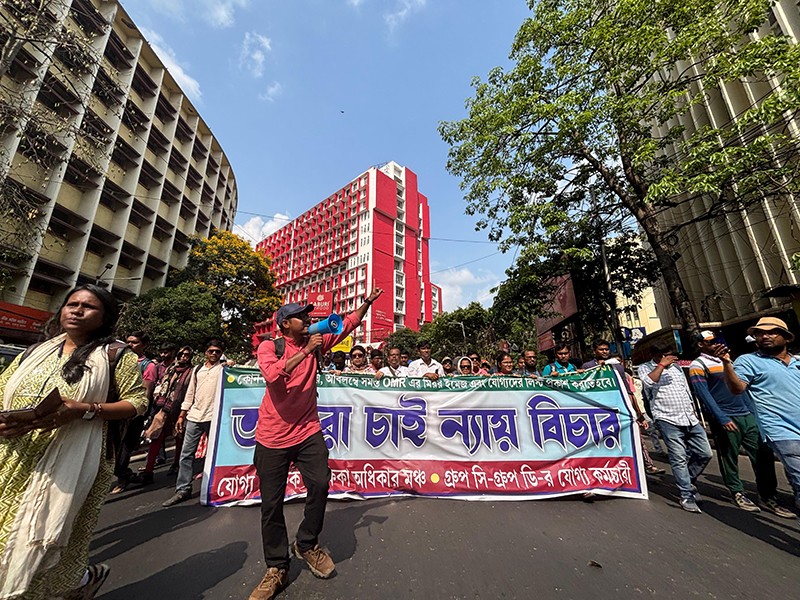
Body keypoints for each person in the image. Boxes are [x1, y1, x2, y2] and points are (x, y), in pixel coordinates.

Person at [0, 284, 147, 599]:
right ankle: (78, 583)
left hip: (72, 464)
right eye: (72, 304)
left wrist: (84, 410)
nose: (77, 310)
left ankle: (63, 584)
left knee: (35, 546)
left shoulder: (115, 355)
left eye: (88, 307)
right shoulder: (34, 352)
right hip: (13, 457)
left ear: (105, 317)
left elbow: (138, 403)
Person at [250, 290, 382, 600]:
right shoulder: (271, 346)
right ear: (285, 324)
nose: (309, 319)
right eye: (302, 316)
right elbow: (272, 376)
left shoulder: (318, 341)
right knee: (271, 505)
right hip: (272, 437)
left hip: (308, 431)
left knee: (321, 484)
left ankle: (306, 543)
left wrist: (367, 302)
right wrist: (307, 349)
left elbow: (348, 323)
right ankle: (277, 567)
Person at [690, 330, 792, 516]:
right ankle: (737, 492)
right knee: (729, 456)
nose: (715, 344)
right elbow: (704, 396)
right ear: (700, 345)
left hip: (748, 415)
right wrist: (722, 418)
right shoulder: (698, 365)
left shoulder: (732, 361)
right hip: (726, 417)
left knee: (763, 455)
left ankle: (768, 496)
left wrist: (754, 413)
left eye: (717, 341)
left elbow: (743, 389)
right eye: (710, 342)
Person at [714, 317, 800, 514]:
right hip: (780, 430)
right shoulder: (748, 361)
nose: (765, 336)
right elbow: (737, 389)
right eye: (760, 333)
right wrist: (727, 364)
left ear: (786, 338)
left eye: (771, 332)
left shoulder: (797, 362)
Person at [638, 342, 712, 513]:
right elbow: (648, 383)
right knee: (678, 457)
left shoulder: (677, 368)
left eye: (669, 354)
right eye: (664, 355)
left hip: (689, 417)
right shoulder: (645, 367)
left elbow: (685, 389)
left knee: (704, 452)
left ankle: (689, 480)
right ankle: (686, 494)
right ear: (655, 355)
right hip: (666, 418)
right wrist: (662, 365)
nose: (669, 357)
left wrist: (692, 408)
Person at [162, 339, 226, 507]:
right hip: (195, 417)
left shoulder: (223, 369)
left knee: (217, 455)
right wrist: (182, 415)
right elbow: (190, 393)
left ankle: (218, 487)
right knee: (186, 454)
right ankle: (182, 489)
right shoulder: (197, 370)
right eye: (211, 351)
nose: (214, 354)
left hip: (215, 417)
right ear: (205, 352)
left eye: (217, 352)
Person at [130, 346, 195, 486]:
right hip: (164, 407)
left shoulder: (193, 371)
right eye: (182, 354)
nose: (184, 357)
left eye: (187, 355)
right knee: (156, 437)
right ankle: (148, 471)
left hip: (182, 409)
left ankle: (176, 464)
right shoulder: (171, 369)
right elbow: (163, 385)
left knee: (179, 438)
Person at [110, 331, 158, 493]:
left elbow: (146, 392)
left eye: (135, 342)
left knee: (124, 447)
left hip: (133, 414)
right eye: (128, 341)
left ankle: (123, 477)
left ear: (144, 346)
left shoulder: (148, 366)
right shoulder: (119, 360)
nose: (130, 345)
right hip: (114, 411)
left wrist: (136, 412)